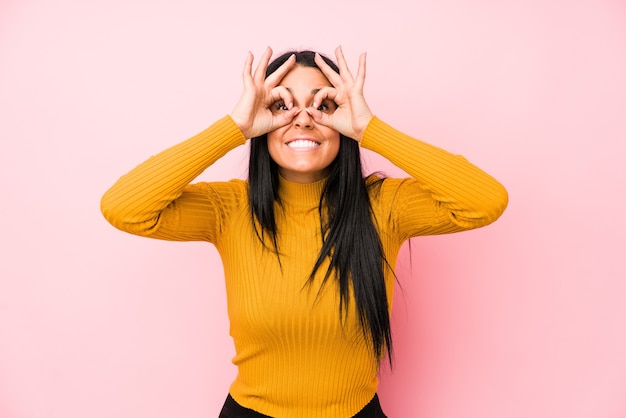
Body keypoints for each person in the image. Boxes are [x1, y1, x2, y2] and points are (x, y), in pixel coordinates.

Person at [101, 46, 508, 418]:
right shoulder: (229, 208)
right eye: (281, 105)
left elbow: (485, 201)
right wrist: (234, 127)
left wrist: (371, 129)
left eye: (324, 105)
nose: (303, 119)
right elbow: (124, 208)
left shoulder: (386, 205)